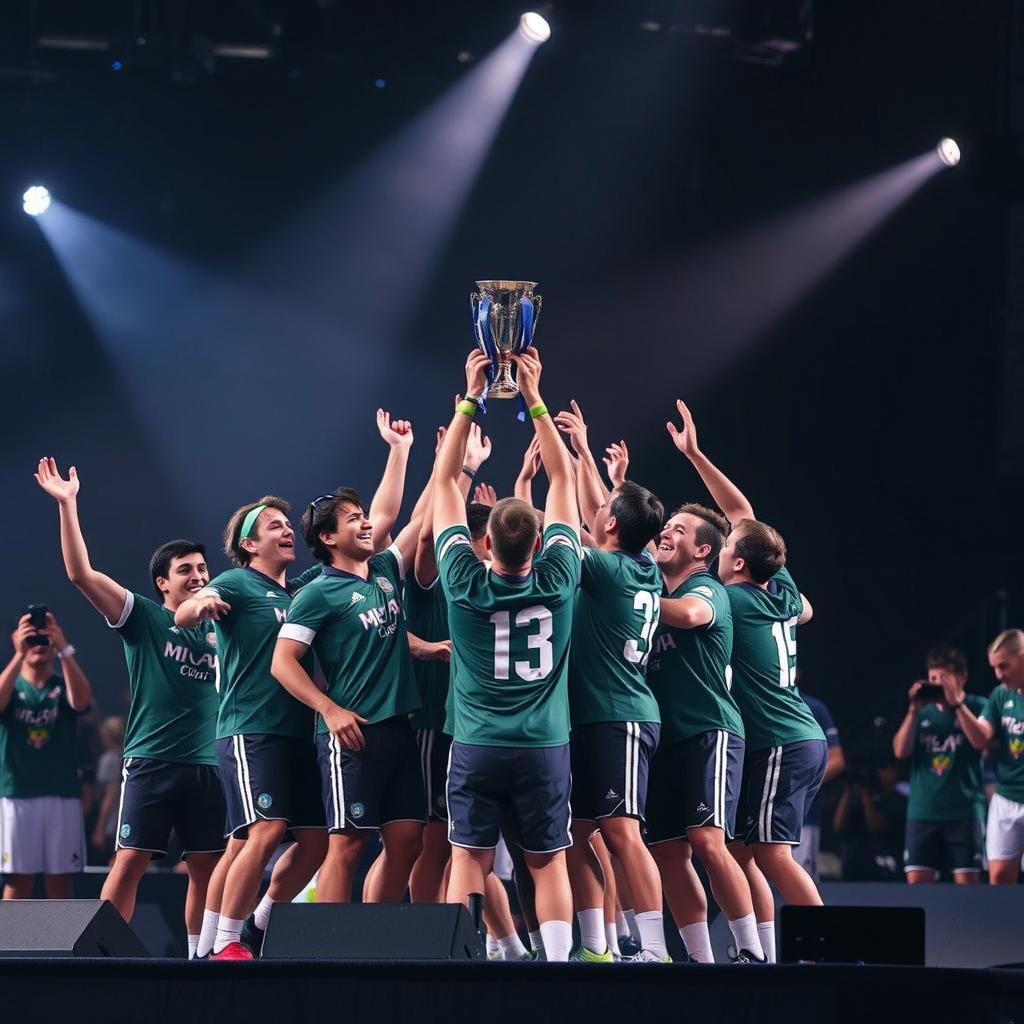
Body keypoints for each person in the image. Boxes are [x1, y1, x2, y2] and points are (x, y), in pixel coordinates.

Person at [34, 459, 225, 956]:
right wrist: (68, 504)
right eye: (185, 570)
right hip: (151, 761)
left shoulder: (221, 628)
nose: (198, 576)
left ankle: (199, 958)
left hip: (209, 763)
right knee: (130, 861)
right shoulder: (143, 617)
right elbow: (80, 573)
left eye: (202, 568)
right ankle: (101, 956)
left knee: (206, 867)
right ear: (162, 582)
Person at [658, 399, 825, 965]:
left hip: (780, 735)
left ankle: (830, 947)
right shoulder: (779, 588)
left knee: (773, 854)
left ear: (734, 564)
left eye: (726, 546)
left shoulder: (728, 599)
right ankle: (762, 955)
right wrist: (695, 454)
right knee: (741, 851)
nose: (723, 545)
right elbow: (743, 514)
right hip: (788, 733)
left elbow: (739, 520)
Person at [434, 347, 581, 963]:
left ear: (485, 542)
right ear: (541, 540)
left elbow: (445, 483)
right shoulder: (561, 576)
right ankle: (558, 967)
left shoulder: (462, 580)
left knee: (467, 858)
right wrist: (534, 396)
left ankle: (459, 962)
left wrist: (472, 396)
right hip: (544, 742)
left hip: (477, 741)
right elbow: (564, 480)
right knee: (547, 862)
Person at [271, 467, 439, 906]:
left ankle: (374, 936)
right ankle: (332, 944)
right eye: (353, 519)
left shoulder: (383, 569)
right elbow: (282, 662)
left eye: (364, 515)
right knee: (347, 846)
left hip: (399, 728)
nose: (366, 523)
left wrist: (455, 465)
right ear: (327, 537)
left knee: (408, 841)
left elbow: (424, 515)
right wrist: (329, 709)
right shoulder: (317, 593)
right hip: (351, 734)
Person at [643, 410, 764, 965]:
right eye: (664, 527)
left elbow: (689, 616)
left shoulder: (708, 589)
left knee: (710, 844)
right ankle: (700, 959)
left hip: (709, 732)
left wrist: (636, 598)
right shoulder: (653, 584)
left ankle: (751, 952)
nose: (666, 532)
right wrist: (584, 461)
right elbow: (613, 533)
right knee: (668, 851)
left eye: (678, 530)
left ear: (702, 552)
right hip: (665, 738)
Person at [553, 400, 669, 963]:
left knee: (623, 834)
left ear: (613, 527)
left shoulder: (605, 567)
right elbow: (605, 517)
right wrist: (583, 450)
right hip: (597, 715)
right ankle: (597, 947)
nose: (597, 513)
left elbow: (572, 523)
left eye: (604, 514)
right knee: (578, 833)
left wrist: (563, 457)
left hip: (619, 715)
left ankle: (655, 950)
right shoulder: (643, 566)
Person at [406, 425, 491, 903]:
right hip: (431, 722)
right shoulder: (432, 576)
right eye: (487, 541)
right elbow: (427, 532)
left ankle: (463, 933)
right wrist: (462, 468)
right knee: (433, 843)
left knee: (459, 845)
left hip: (467, 726)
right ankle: (422, 934)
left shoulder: (485, 586)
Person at [0, 608, 92, 899]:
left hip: (61, 794)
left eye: (44, 639)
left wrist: (64, 649)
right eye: (31, 638)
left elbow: (82, 702)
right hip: (17, 794)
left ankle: (60, 934)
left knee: (61, 880)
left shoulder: (62, 685)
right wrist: (18, 654)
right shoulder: (11, 685)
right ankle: (9, 932)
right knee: (18, 879)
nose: (38, 644)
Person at [892, 647, 987, 883]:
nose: (937, 685)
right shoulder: (922, 713)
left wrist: (958, 705)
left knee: (968, 886)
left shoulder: (978, 706)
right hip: (923, 810)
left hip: (964, 810)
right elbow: (900, 751)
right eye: (932, 679)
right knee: (918, 885)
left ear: (962, 678)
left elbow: (980, 741)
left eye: (943, 678)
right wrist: (913, 712)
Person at [975, 629, 1024, 884]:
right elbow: (981, 738)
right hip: (1006, 797)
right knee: (999, 877)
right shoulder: (1000, 695)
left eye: (1004, 666)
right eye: (994, 667)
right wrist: (958, 704)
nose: (998, 674)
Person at [794, 688, 845, 880]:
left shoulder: (813, 707)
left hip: (803, 815)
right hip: (758, 813)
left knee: (800, 878)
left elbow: (837, 760)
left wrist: (800, 787)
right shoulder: (756, 698)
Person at [91, 715, 125, 863]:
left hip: (111, 822)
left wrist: (99, 827)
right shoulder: (126, 757)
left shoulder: (109, 760)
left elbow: (109, 796)